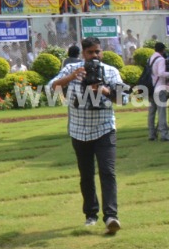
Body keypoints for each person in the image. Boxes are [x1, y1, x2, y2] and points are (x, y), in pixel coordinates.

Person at [47, 38, 123, 235]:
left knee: (108, 171)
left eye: (97, 51)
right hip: (79, 131)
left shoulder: (110, 71)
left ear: (102, 52)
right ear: (83, 53)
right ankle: (91, 214)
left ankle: (111, 216)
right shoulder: (72, 69)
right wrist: (72, 77)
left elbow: (123, 98)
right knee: (86, 174)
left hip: (105, 129)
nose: (94, 55)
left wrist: (104, 90)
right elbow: (50, 88)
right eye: (90, 52)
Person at [146, 42, 169, 142]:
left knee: (151, 112)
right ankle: (164, 135)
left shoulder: (150, 58)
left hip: (151, 88)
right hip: (159, 87)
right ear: (163, 50)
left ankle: (151, 134)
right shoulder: (161, 59)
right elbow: (161, 73)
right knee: (161, 112)